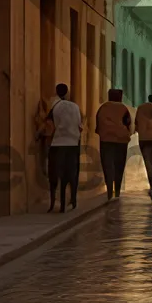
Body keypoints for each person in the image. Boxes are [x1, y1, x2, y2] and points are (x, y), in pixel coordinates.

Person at [48, 83, 83, 212]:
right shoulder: (75, 107)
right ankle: (72, 199)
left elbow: (50, 124)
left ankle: (54, 203)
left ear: (56, 92)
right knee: (72, 174)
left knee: (55, 174)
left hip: (57, 144)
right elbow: (80, 126)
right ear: (67, 92)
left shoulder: (54, 106)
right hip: (73, 143)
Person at [95, 88, 133, 200]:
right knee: (119, 165)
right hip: (121, 141)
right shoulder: (123, 108)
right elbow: (128, 123)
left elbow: (98, 124)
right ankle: (117, 190)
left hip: (106, 140)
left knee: (107, 165)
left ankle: (109, 189)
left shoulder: (103, 108)